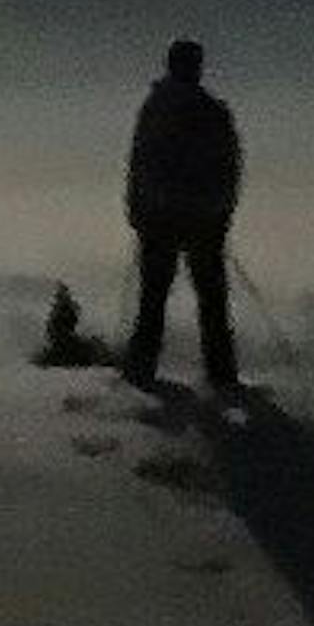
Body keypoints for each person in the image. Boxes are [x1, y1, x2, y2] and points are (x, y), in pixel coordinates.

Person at [123, 38, 244, 390]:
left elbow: (140, 164)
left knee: (153, 297)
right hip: (204, 219)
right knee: (211, 299)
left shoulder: (155, 108)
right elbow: (230, 169)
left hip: (159, 218)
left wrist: (137, 210)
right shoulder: (213, 111)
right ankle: (221, 375)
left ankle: (141, 371)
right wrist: (221, 213)